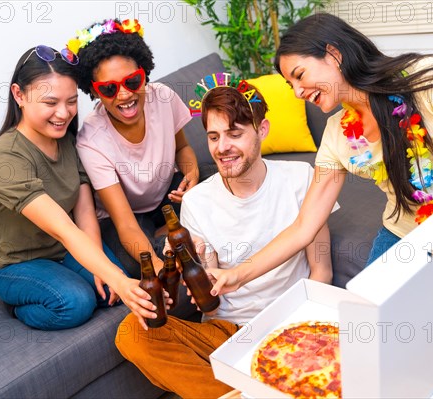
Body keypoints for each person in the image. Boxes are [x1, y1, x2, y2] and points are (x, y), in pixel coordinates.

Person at [207, 13, 433, 399]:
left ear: (333, 54)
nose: (298, 91)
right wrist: (238, 275)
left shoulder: (425, 76)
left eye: (299, 75)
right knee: (396, 361)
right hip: (404, 242)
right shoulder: (337, 133)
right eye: (290, 84)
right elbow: (305, 225)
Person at [115, 82, 335, 398]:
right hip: (228, 334)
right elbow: (211, 294)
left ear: (262, 130)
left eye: (235, 134)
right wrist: (196, 261)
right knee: (131, 333)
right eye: (214, 137)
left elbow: (322, 270)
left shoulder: (300, 178)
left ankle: (251, 389)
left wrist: (305, 330)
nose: (222, 147)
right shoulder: (196, 202)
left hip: (291, 324)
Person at [0, 45, 163, 331]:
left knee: (109, 293)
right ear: (19, 95)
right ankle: (19, 306)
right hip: (18, 265)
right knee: (77, 303)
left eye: (71, 101)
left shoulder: (66, 141)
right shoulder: (3, 160)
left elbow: (85, 212)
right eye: (50, 103)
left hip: (64, 249)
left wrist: (106, 270)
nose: (63, 114)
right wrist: (113, 276)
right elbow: (63, 227)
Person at [71, 19, 199, 278]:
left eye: (131, 81)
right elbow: (125, 224)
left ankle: (167, 231)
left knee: (218, 187)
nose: (124, 95)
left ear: (144, 73)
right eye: (108, 88)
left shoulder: (163, 97)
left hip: (166, 194)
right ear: (94, 92)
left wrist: (192, 177)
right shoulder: (91, 140)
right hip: (127, 214)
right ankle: (170, 232)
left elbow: (182, 148)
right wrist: (157, 266)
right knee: (135, 264)